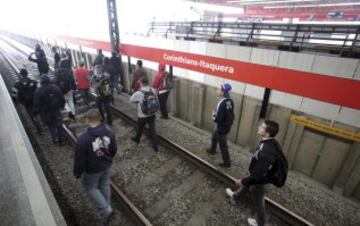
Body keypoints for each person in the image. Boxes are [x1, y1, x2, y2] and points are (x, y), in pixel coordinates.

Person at [225, 120, 280, 226]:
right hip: (258, 174)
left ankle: (261, 223)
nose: (259, 127)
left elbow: (257, 175)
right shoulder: (270, 142)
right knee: (247, 186)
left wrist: (242, 180)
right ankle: (235, 196)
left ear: (267, 133)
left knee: (259, 201)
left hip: (259, 179)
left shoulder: (266, 152)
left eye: (262, 127)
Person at [73, 109, 117, 226]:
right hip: (106, 165)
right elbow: (113, 149)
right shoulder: (109, 132)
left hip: (92, 169)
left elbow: (80, 159)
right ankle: (108, 207)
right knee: (105, 185)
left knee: (90, 187)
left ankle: (105, 209)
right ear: (100, 118)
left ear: (87, 120)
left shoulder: (83, 139)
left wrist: (77, 172)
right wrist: (108, 159)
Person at [206, 83, 234, 168]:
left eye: (219, 89)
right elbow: (230, 114)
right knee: (214, 137)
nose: (217, 90)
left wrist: (213, 115)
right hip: (226, 126)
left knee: (223, 146)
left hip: (221, 128)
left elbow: (218, 119)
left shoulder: (222, 104)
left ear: (223, 92)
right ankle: (212, 150)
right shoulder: (229, 101)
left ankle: (227, 163)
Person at [33, 75, 65, 145]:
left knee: (51, 125)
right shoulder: (55, 88)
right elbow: (62, 98)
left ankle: (55, 138)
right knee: (59, 124)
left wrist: (35, 114)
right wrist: (62, 106)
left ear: (41, 81)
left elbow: (36, 104)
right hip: (56, 110)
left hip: (45, 113)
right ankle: (61, 139)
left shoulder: (38, 91)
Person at [129, 77, 159, 152]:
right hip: (152, 113)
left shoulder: (139, 93)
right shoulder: (152, 89)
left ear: (141, 83)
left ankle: (137, 139)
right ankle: (155, 145)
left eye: (140, 83)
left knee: (140, 128)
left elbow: (131, 100)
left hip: (142, 115)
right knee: (152, 129)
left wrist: (139, 101)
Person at [11, 69, 42, 134]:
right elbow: (40, 89)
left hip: (26, 103)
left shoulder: (17, 84)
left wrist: (15, 102)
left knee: (32, 115)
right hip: (36, 101)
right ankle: (43, 123)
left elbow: (14, 94)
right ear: (27, 74)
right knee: (39, 112)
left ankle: (39, 129)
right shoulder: (34, 82)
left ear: (21, 74)